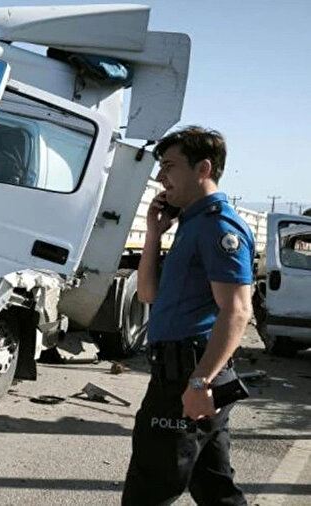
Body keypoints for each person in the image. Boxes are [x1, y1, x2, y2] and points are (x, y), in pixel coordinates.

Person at [122, 126, 253, 506]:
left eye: (169, 166)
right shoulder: (191, 223)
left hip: (188, 377)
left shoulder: (218, 226)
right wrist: (153, 234)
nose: (161, 177)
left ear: (203, 169)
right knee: (215, 489)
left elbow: (238, 309)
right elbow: (148, 294)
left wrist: (199, 383)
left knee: (149, 490)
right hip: (185, 373)